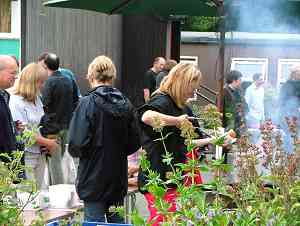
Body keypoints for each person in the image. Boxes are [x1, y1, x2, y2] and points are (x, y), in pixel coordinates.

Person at [137, 63, 215, 225]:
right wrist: (176, 121)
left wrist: (212, 140)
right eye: (192, 89)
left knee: (171, 220)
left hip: (173, 175)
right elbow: (146, 116)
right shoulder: (162, 100)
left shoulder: (182, 107)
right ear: (182, 84)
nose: (193, 93)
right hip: (157, 177)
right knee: (162, 220)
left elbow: (185, 143)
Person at [68, 55, 140, 223]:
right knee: (118, 220)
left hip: (93, 176)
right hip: (117, 176)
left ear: (91, 75)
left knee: (94, 222)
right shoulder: (126, 104)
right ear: (112, 76)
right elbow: (134, 142)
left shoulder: (86, 103)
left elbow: (76, 144)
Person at [9, 63, 58, 189]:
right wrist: (48, 142)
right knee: (26, 193)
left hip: (39, 153)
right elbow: (21, 131)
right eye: (40, 82)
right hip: (25, 154)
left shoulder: (37, 98)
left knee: (40, 192)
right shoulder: (15, 101)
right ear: (31, 81)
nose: (43, 85)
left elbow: (40, 124)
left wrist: (48, 141)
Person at [40, 53, 79, 185]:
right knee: (60, 160)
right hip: (66, 126)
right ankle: (58, 190)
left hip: (51, 128)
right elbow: (75, 100)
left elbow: (43, 104)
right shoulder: (67, 79)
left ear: (45, 65)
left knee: (54, 163)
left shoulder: (49, 82)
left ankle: (57, 193)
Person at [278, 66, 300, 153]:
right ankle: (290, 157)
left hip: (292, 115)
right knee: (291, 136)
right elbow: (282, 101)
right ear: (295, 74)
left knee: (291, 136)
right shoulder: (289, 85)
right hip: (289, 115)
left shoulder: (287, 84)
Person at [0, 55, 18, 157]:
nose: (16, 76)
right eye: (12, 73)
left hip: (8, 163)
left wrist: (12, 126)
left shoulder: (5, 95)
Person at [223, 70, 247, 137]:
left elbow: (243, 105)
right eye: (240, 79)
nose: (241, 82)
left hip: (238, 126)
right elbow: (221, 111)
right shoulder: (224, 92)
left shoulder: (238, 91)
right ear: (234, 80)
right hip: (228, 127)